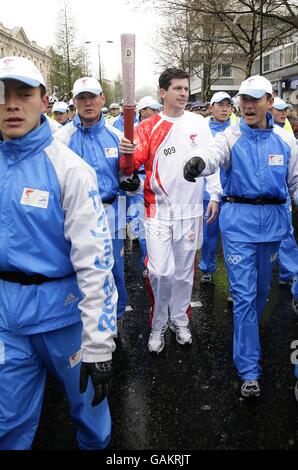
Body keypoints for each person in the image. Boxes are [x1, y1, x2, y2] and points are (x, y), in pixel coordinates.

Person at [0, 56, 117, 449]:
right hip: (7, 319)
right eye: (2, 95)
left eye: (23, 94)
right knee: (8, 423)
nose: (11, 104)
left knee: (90, 415)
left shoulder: (68, 168)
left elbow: (95, 260)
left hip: (63, 315)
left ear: (44, 100)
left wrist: (100, 344)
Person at [184, 75, 298, 398]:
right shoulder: (231, 137)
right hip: (238, 226)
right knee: (245, 297)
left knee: (261, 293)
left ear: (270, 100)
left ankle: (247, 340)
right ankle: (248, 368)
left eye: (254, 99)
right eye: (243, 99)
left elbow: (295, 182)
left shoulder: (286, 142)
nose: (247, 105)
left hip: (273, 225)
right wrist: (198, 164)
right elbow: (213, 154)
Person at [119, 68, 221, 354]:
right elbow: (130, 169)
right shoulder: (148, 127)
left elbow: (211, 157)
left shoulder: (199, 123)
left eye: (186, 88)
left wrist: (214, 193)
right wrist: (127, 164)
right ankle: (157, 322)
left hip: (190, 211)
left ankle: (179, 319)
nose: (184, 93)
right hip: (157, 211)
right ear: (163, 92)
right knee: (159, 271)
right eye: (177, 88)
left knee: (184, 272)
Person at [56, 76, 134, 320]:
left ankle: (116, 319)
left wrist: (132, 182)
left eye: (92, 97)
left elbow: (126, 174)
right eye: (82, 97)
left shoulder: (117, 136)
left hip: (111, 213)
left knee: (115, 270)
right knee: (82, 271)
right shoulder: (61, 139)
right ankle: (85, 322)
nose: (88, 102)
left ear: (102, 99)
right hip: (77, 217)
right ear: (74, 102)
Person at [199, 92, 233, 288]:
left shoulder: (237, 130)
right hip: (206, 194)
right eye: (220, 105)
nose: (224, 108)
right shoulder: (202, 129)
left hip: (230, 194)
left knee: (232, 238)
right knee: (209, 236)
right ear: (211, 107)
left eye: (228, 105)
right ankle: (207, 268)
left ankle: (234, 281)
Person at [270, 97, 298, 288]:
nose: (283, 113)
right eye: (279, 109)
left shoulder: (286, 131)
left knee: (287, 233)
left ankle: (288, 274)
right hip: (263, 200)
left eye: (285, 110)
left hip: (283, 196)